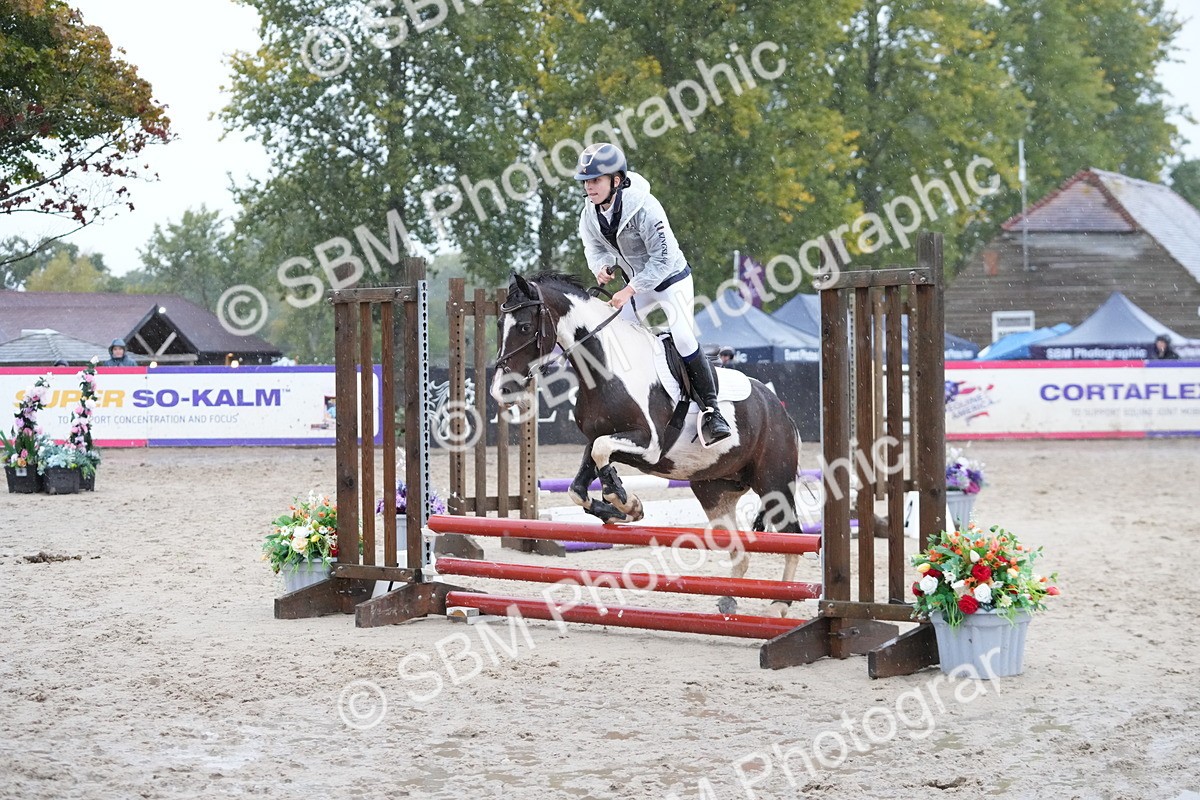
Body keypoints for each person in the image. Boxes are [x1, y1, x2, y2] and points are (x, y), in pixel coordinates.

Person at [574, 142, 731, 445]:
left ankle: (712, 410)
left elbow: (663, 261)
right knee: (616, 333)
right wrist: (601, 267)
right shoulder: (589, 214)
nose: (589, 187)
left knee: (683, 337)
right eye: (586, 181)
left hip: (671, 280)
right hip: (638, 285)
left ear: (616, 181)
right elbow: (591, 249)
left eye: (596, 180)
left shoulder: (646, 208)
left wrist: (628, 290)